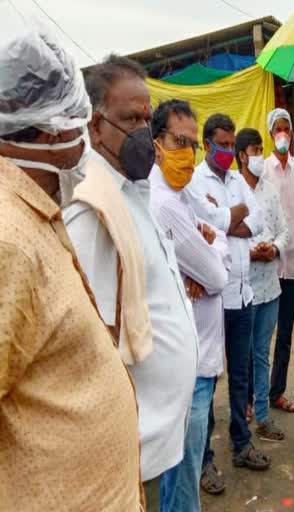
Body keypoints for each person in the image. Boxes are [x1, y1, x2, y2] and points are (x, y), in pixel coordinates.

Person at [0, 29, 141, 511]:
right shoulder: (8, 241)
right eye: (77, 125)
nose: (84, 142)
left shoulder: (34, 212)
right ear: (44, 132)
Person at [63, 55, 199, 511]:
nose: (143, 130)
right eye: (129, 119)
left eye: (146, 117)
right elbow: (92, 349)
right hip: (135, 450)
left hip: (163, 437)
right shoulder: (93, 212)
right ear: (96, 126)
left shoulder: (134, 193)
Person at [146, 99, 230, 512]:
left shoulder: (177, 196)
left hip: (197, 358)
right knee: (182, 482)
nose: (187, 154)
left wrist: (210, 249)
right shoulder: (163, 202)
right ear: (156, 142)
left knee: (181, 473)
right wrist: (211, 257)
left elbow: (221, 238)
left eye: (192, 145)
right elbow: (218, 278)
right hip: (188, 367)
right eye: (180, 142)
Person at [188, 113, 270, 484]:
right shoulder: (192, 180)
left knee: (240, 373)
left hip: (242, 292)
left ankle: (241, 442)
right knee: (206, 377)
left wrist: (226, 222)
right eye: (221, 143)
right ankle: (204, 458)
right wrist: (231, 223)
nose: (227, 151)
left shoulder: (238, 179)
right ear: (207, 145)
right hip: (210, 298)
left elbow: (259, 219)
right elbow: (199, 226)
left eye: (230, 143)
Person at [236, 127, 289, 442]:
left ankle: (263, 417)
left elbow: (284, 230)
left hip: (270, 286)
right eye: (254, 150)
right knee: (241, 355)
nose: (259, 156)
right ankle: (240, 417)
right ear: (242, 156)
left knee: (261, 354)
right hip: (243, 288)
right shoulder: (232, 189)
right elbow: (226, 236)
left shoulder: (269, 190)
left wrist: (276, 249)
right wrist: (250, 252)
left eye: (260, 150)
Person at [263, 108, 294, 415]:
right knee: (263, 333)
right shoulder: (263, 170)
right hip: (268, 264)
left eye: (287, 129)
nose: (283, 135)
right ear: (269, 134)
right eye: (278, 129)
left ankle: (277, 391)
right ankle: (255, 396)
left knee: (286, 334)